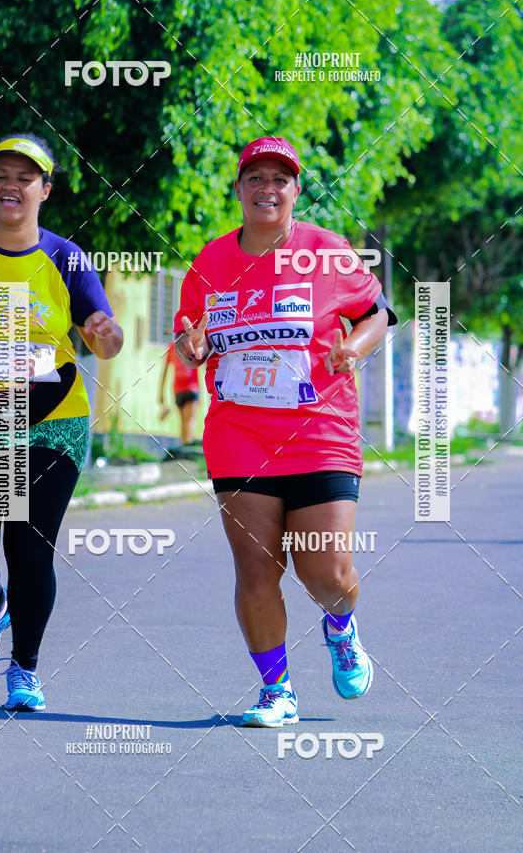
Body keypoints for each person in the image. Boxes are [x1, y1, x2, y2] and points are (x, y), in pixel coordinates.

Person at [174, 136, 397, 727]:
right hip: (239, 437)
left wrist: (353, 345)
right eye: (256, 178)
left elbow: (378, 313)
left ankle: (341, 627)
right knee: (255, 568)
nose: (267, 188)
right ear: (240, 188)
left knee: (324, 572)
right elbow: (189, 332)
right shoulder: (211, 261)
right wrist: (191, 344)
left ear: (295, 190)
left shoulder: (326, 250)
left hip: (321, 431)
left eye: (280, 179)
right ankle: (277, 691)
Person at [0, 125, 123, 711]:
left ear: (45, 190)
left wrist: (106, 336)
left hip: (48, 418)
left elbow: (104, 338)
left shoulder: (66, 258)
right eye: (1, 175)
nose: (12, 186)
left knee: (29, 544)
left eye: (25, 178)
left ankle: (25, 670)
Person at [158, 341, 201, 445]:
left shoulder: (173, 347)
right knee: (189, 422)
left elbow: (165, 371)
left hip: (178, 390)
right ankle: (187, 451)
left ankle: (184, 449)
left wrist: (161, 393)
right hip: (192, 388)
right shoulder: (194, 344)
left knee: (183, 423)